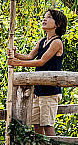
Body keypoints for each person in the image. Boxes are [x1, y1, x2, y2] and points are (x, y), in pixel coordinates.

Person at [8, 8, 67, 136]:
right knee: (37, 126)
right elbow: (30, 56)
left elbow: (41, 62)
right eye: (44, 17)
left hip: (50, 91)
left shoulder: (57, 42)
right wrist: (16, 55)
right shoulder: (42, 41)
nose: (44, 19)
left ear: (58, 24)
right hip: (38, 90)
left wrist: (18, 63)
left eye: (49, 17)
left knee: (47, 125)